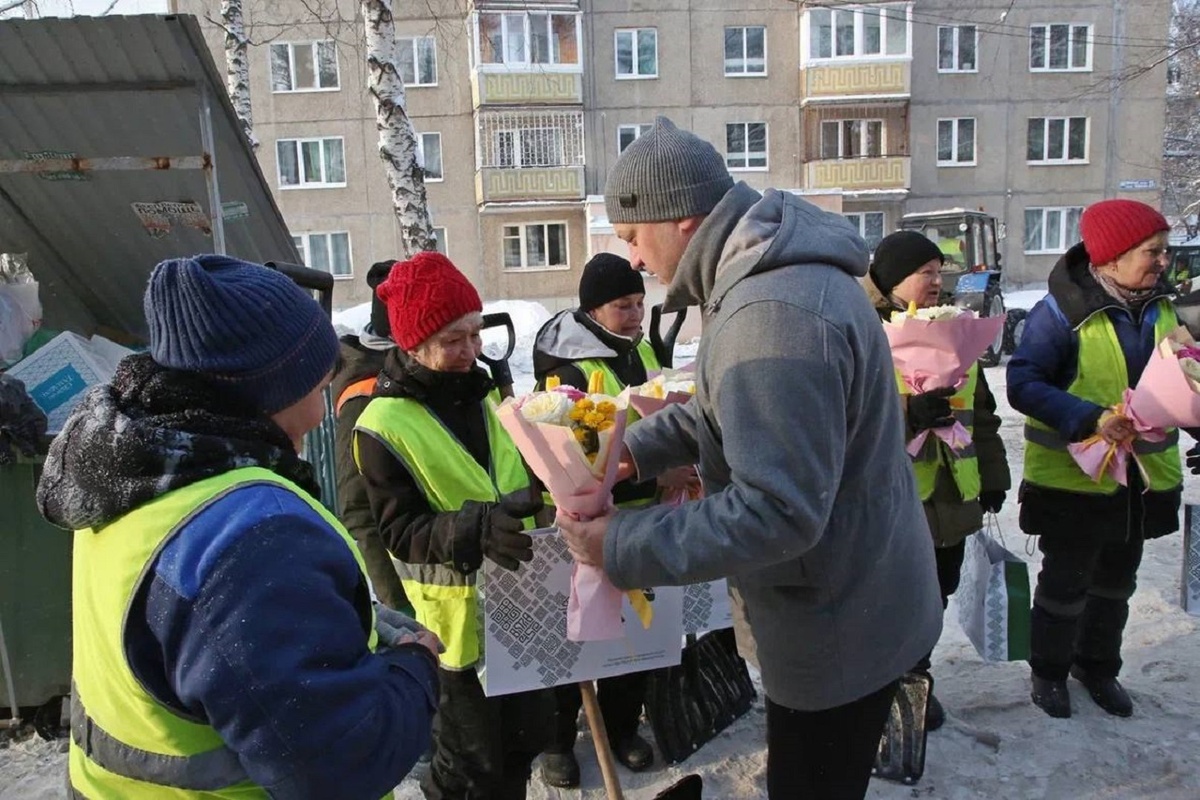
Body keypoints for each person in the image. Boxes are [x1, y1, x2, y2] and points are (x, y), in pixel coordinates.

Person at [555, 115, 943, 800]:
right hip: (856, 591)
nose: (636, 261)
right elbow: (723, 415)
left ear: (680, 219)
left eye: (632, 237)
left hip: (835, 622)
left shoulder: (771, 313)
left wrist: (620, 543)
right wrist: (627, 454)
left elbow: (777, 512)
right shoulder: (767, 276)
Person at [36, 254, 439, 799]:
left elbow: (197, 633)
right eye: (318, 388)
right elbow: (343, 765)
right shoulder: (252, 538)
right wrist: (413, 668)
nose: (322, 410)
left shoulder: (131, 471)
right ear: (271, 391)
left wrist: (355, 618)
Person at [353, 251, 552, 800]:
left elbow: (516, 472)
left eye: (474, 333)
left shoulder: (488, 390)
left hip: (523, 604)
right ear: (414, 345)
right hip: (457, 633)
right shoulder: (382, 425)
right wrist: (478, 527)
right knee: (470, 767)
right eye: (453, 340)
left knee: (521, 747)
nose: (471, 351)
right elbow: (400, 531)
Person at [1008, 199, 1183, 719]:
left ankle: (1098, 667)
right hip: (1075, 483)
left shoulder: (1167, 308)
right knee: (1065, 585)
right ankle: (1050, 673)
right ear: (1110, 257)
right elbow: (1022, 383)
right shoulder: (1060, 313)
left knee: (1115, 584)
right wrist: (1089, 418)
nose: (1163, 261)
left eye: (1164, 250)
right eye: (1152, 251)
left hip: (1143, 478)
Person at [864, 231, 1011, 730]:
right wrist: (909, 412)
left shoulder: (957, 329)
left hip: (951, 490)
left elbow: (982, 412)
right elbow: (844, 414)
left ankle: (916, 677)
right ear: (891, 279)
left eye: (937, 271)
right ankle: (883, 686)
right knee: (891, 597)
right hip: (893, 497)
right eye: (924, 272)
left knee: (937, 594)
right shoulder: (861, 329)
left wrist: (992, 473)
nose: (936, 281)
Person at [531, 253, 661, 787]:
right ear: (591, 310)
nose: (635, 315)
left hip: (643, 519)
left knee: (633, 634)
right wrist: (654, 473)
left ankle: (621, 728)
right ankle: (558, 741)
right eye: (621, 306)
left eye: (638, 303)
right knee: (577, 636)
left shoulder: (643, 348)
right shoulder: (569, 368)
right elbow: (567, 463)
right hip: (585, 524)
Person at [332, 258, 410, 612]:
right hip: (418, 590)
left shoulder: (442, 373)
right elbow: (358, 510)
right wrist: (399, 605)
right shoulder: (363, 396)